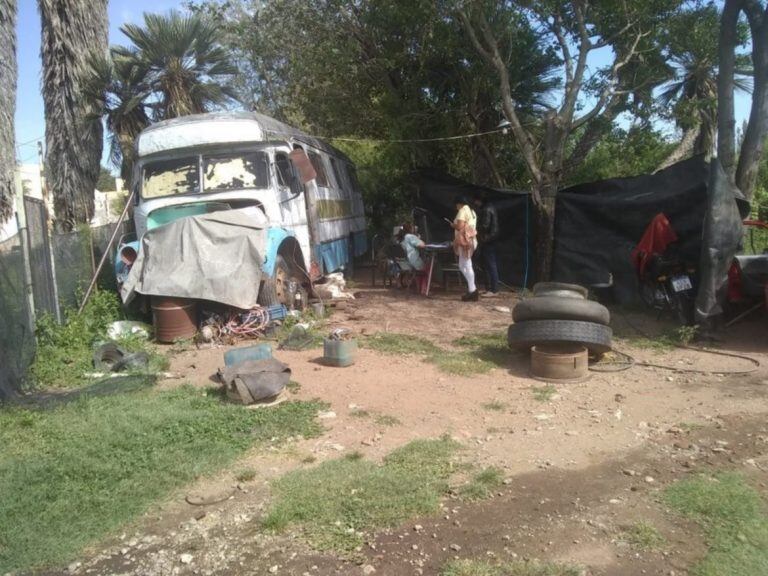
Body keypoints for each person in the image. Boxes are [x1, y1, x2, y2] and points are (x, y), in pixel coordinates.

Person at [452, 195, 478, 301]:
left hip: (465, 242)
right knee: (464, 265)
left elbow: (459, 226)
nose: (456, 207)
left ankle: (473, 290)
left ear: (459, 203)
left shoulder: (463, 210)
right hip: (471, 240)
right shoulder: (472, 211)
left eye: (456, 205)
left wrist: (452, 225)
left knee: (466, 265)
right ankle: (472, 289)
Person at [474, 193, 500, 296]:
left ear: (480, 200)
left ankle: (493, 290)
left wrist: (475, 229)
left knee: (490, 264)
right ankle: (490, 288)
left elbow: (485, 225)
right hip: (491, 239)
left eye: (476, 200)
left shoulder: (486, 210)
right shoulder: (491, 207)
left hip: (488, 240)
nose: (475, 203)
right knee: (488, 264)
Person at [397, 223, 427, 292]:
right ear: (410, 229)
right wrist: (419, 239)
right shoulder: (409, 236)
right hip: (413, 262)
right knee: (429, 267)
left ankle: (417, 286)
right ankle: (424, 289)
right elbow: (422, 245)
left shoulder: (400, 238)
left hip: (404, 263)